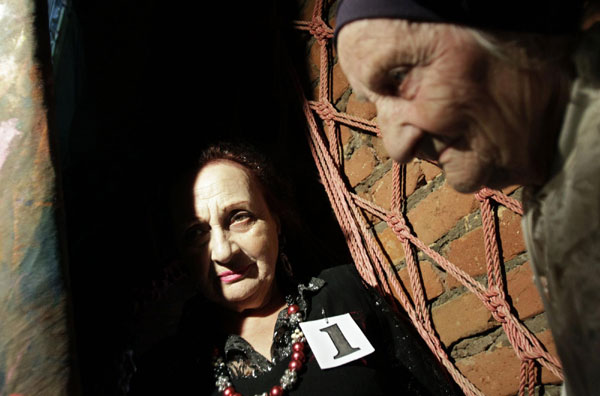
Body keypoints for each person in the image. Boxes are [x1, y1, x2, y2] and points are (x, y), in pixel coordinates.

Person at [334, 1, 600, 395]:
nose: (397, 145)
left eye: (401, 75)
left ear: (514, 31)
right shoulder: (552, 197)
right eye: (375, 104)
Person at [130, 142, 463, 395]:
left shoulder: (344, 293)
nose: (223, 251)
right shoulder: (165, 373)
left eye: (240, 217)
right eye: (196, 233)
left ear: (276, 222)